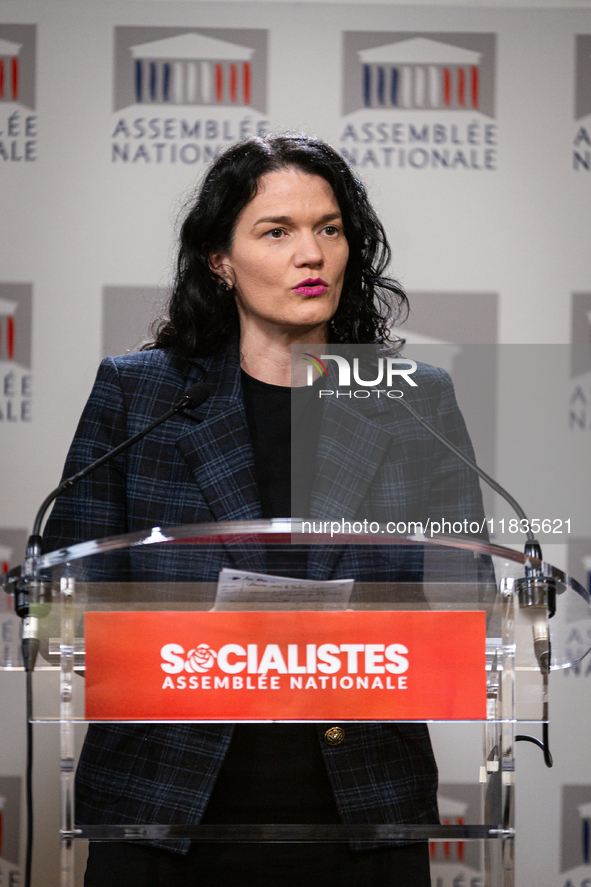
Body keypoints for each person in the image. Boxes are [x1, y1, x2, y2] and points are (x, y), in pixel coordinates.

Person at [43, 133, 487, 886]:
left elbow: (463, 592)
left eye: (329, 228)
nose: (309, 253)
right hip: (164, 803)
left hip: (359, 806)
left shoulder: (411, 397)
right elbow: (64, 596)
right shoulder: (140, 394)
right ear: (220, 259)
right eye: (276, 232)